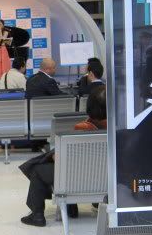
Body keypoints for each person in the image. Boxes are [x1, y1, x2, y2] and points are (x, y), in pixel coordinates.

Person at [19, 85, 107, 227]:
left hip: (78, 180)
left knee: (38, 170)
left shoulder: (83, 128)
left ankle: (37, 215)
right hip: (108, 180)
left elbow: (71, 161)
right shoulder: (120, 126)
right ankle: (73, 207)